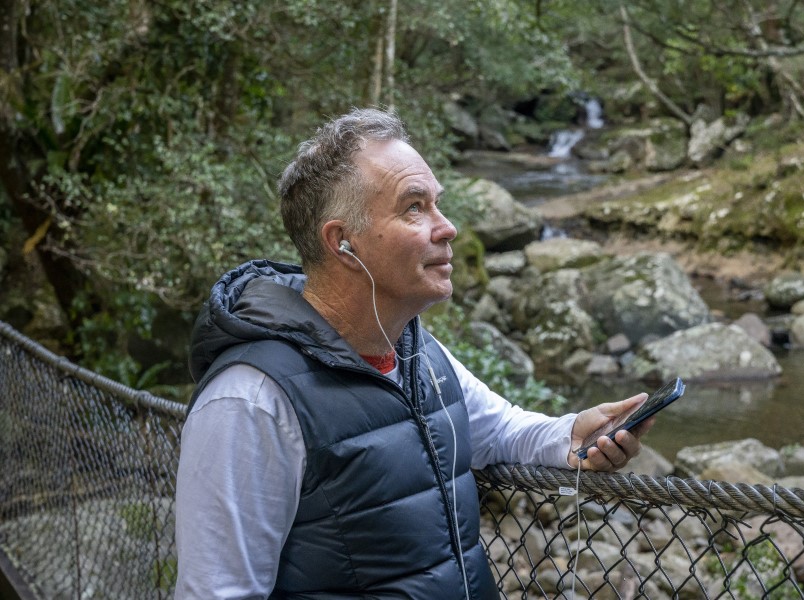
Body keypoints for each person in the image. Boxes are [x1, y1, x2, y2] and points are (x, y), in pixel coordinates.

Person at [174, 107, 654, 599]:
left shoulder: (415, 349)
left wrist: (571, 436)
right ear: (343, 243)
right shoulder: (249, 402)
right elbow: (217, 590)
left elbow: (499, 430)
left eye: (436, 205)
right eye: (414, 208)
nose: (447, 229)